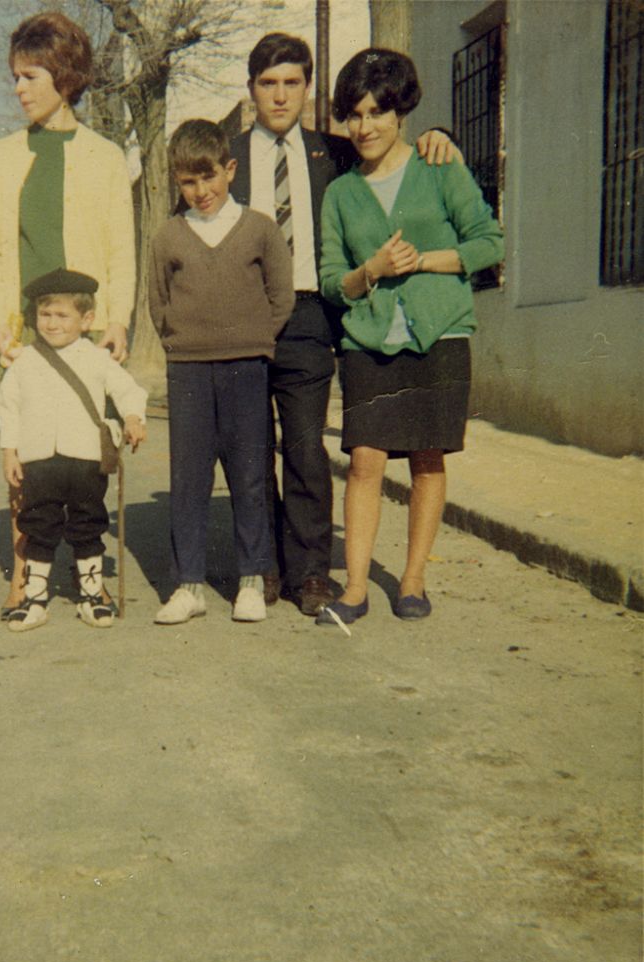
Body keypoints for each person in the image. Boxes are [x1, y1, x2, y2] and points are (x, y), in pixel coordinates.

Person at [229, 33, 459, 616]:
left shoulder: (334, 151)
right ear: (251, 88)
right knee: (251, 448)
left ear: (307, 89)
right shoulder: (226, 154)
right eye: (267, 83)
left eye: (292, 83)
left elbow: (395, 151)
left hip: (308, 312)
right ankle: (261, 568)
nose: (279, 96)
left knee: (306, 447)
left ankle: (310, 572)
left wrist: (442, 136)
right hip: (242, 314)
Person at [318, 48, 504, 626]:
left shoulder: (438, 166)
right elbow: (331, 281)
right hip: (369, 343)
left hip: (440, 335)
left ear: (401, 114)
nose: (364, 126)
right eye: (354, 114)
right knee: (366, 459)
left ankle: (414, 580)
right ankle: (353, 589)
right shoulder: (341, 194)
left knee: (427, 458)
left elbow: (488, 242)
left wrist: (423, 261)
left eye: (377, 112)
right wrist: (371, 269)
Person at [0, 11, 135, 619]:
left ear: (65, 77)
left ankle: (87, 573)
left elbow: (122, 247)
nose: (18, 88)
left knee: (85, 456)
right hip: (23, 330)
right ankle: (27, 572)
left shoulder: (104, 156)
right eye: (14, 76)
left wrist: (116, 319)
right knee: (28, 456)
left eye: (30, 76)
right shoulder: (1, 156)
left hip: (86, 330)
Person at [149, 119, 294, 625]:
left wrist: (251, 339)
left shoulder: (259, 228)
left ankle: (251, 579)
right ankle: (188, 584)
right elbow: (158, 302)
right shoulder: (169, 235)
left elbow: (281, 296)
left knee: (250, 474)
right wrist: (185, 342)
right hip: (188, 370)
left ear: (229, 170)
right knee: (188, 478)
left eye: (208, 177)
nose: (200, 191)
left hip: (245, 368)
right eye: (188, 182)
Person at [0, 268, 147, 632]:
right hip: (39, 461)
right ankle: (34, 597)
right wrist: (9, 451)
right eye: (45, 314)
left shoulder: (96, 358)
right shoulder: (25, 361)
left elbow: (127, 389)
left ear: (87, 319)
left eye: (62, 315)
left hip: (85, 461)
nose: (51, 323)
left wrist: (133, 418)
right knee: (39, 525)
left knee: (87, 524)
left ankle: (92, 593)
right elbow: (8, 406)